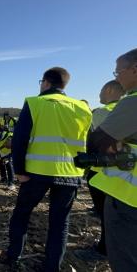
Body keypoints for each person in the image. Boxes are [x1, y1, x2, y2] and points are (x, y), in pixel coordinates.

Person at [4, 67, 92, 271]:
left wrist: (19, 171)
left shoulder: (35, 102)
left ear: (45, 83)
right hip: (70, 174)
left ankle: (13, 256)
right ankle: (52, 267)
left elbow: (19, 140)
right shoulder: (82, 107)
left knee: (22, 214)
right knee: (60, 222)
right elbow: (90, 141)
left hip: (37, 173)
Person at [87, 48, 137, 271]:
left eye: (118, 72)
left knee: (125, 260)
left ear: (134, 69)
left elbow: (97, 141)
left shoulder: (131, 103)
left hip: (128, 199)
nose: (117, 77)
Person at [81, 80, 125, 259]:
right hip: (123, 171)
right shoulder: (127, 110)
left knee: (106, 215)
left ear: (109, 90)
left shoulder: (101, 113)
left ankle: (104, 250)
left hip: (102, 172)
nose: (98, 94)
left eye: (100, 90)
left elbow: (86, 140)